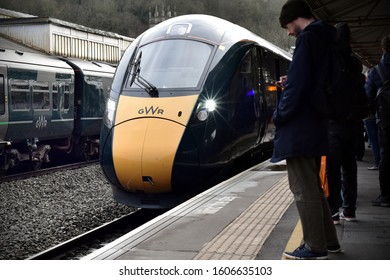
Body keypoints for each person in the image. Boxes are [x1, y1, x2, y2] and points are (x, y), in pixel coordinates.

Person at [272, 0, 340, 260]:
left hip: (300, 125)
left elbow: (298, 86)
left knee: (302, 187)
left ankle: (314, 246)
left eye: (288, 26)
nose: (289, 32)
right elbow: (312, 78)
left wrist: (279, 115)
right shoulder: (326, 37)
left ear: (295, 18)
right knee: (313, 184)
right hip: (317, 122)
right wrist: (294, 79)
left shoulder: (307, 40)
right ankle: (330, 241)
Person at [365, 35, 390, 207]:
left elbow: (368, 97)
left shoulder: (376, 72)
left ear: (383, 49)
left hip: (386, 121)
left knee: (386, 157)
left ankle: (386, 196)